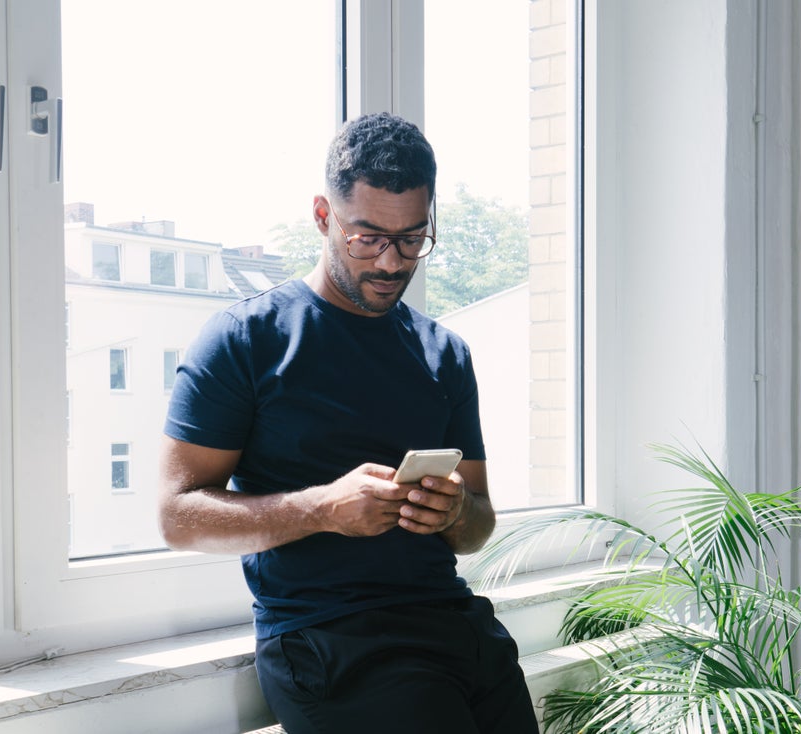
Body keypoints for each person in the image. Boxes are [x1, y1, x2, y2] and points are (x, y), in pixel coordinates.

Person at [158, 112, 538, 733]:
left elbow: (479, 525)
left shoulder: (445, 353)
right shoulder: (246, 339)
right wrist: (320, 509)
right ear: (322, 216)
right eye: (368, 238)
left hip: (459, 629)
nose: (392, 262)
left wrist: (454, 513)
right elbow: (177, 517)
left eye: (412, 239)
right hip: (335, 644)